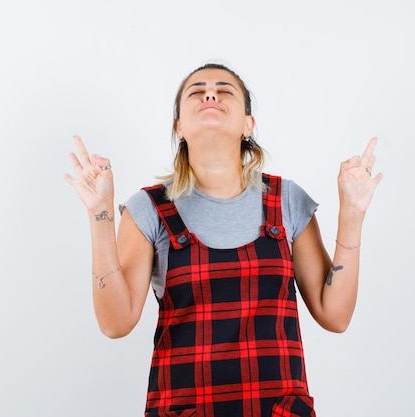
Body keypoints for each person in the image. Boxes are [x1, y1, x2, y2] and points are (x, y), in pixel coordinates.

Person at [64, 63, 383, 417]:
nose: (210, 94)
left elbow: (335, 315)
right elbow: (115, 323)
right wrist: (99, 213)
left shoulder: (286, 201)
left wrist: (352, 214)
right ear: (179, 127)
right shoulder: (149, 208)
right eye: (196, 91)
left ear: (248, 125)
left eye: (224, 90)